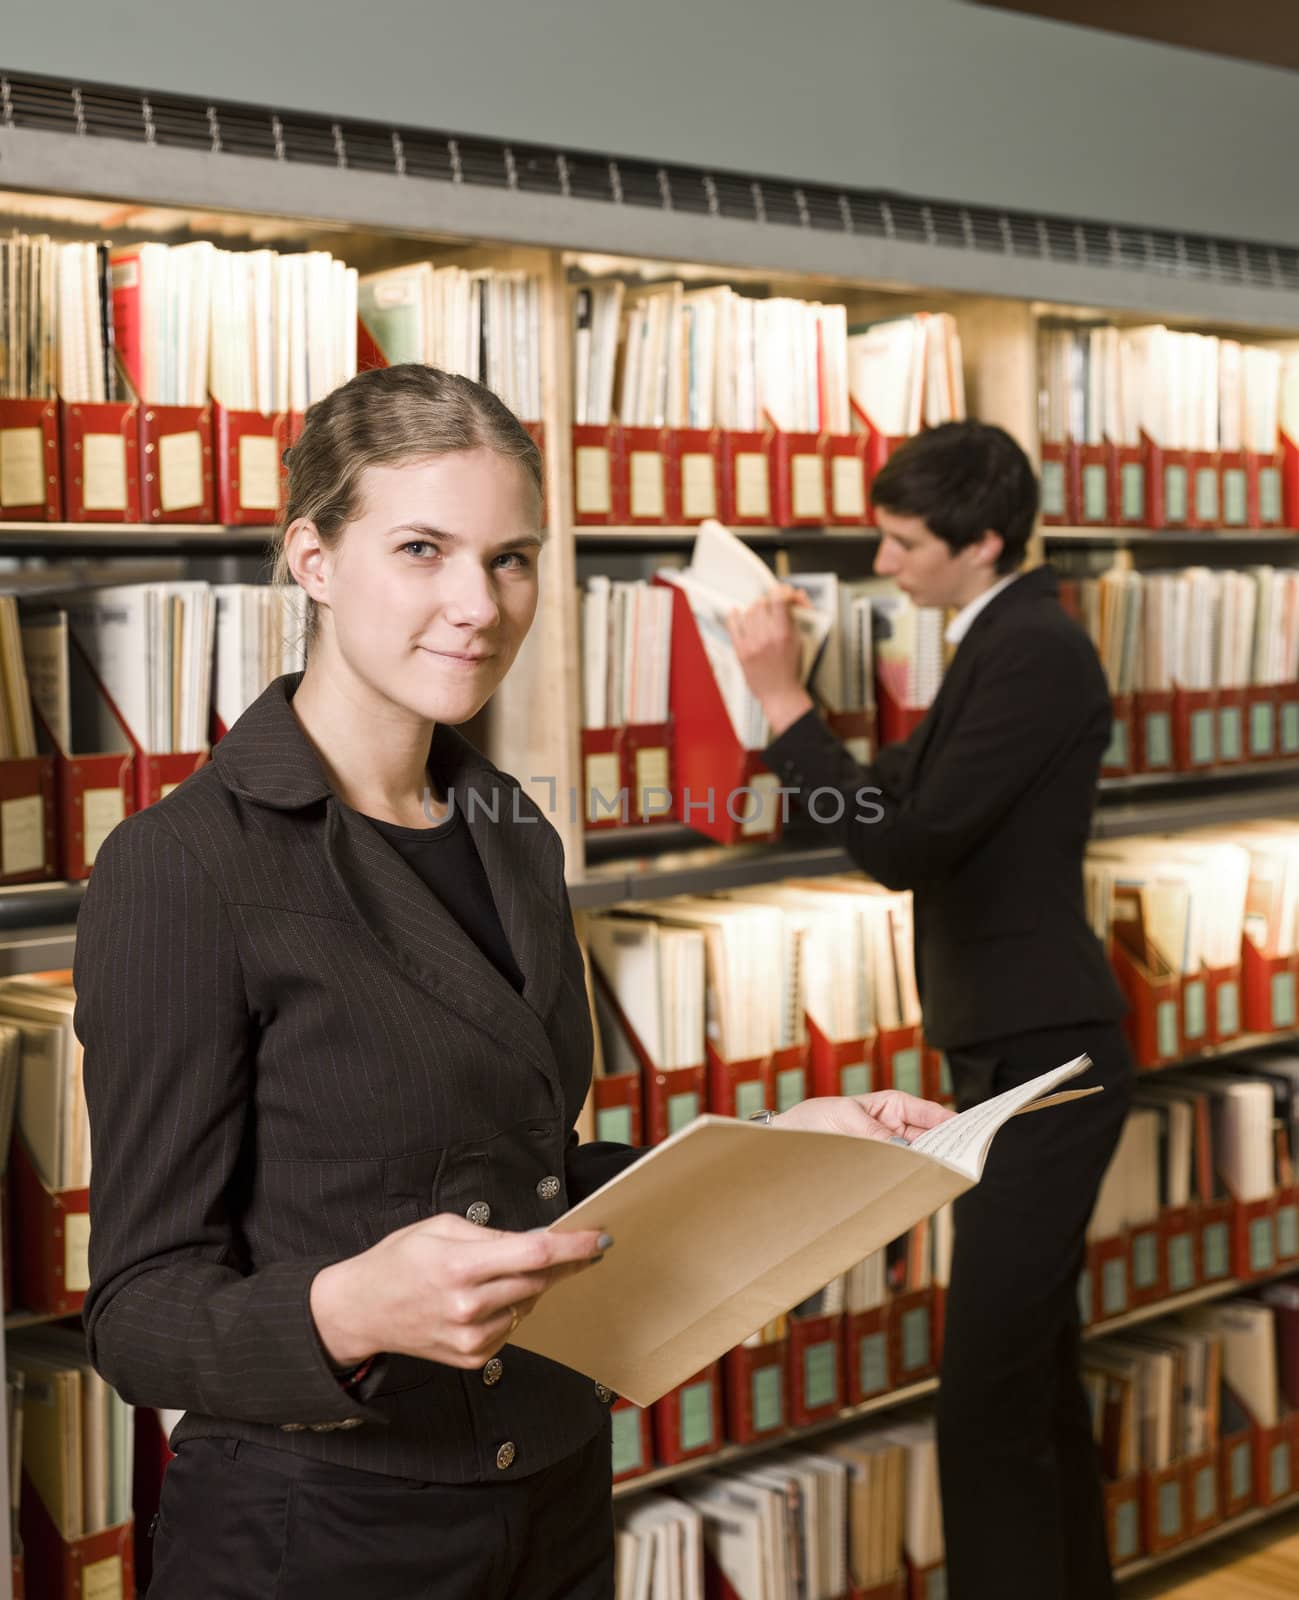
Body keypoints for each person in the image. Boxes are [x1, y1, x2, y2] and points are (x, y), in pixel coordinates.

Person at [73, 363, 951, 1600]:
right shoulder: (185, 866)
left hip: (551, 1491)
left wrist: (775, 1154)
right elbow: (138, 1312)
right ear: (313, 560)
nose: (477, 605)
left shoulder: (513, 832)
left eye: (511, 558)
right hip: (320, 1532)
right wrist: (347, 1307)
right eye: (423, 549)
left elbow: (518, 1180)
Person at [729, 419, 1132, 1600]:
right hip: (1014, 1049)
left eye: (903, 541)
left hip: (1049, 1062)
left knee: (989, 1399)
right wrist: (776, 734)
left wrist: (779, 696)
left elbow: (906, 843)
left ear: (984, 540)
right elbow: (902, 792)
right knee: (1036, 1382)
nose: (883, 562)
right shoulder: (996, 634)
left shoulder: (1035, 651)